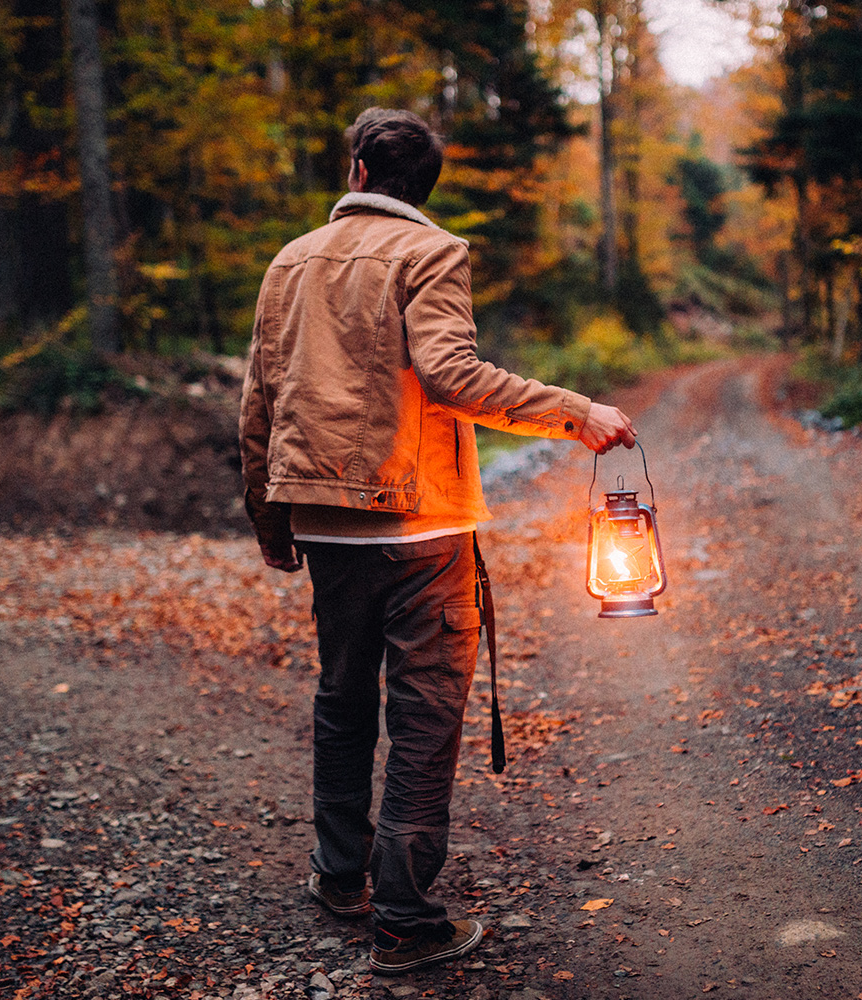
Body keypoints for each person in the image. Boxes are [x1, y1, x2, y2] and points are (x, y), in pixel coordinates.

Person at [239, 107, 635, 976]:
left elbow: (262, 396)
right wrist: (579, 413)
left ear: (357, 172)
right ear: (424, 186)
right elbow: (453, 376)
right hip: (422, 524)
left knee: (343, 696)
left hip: (324, 520)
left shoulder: (291, 260)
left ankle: (341, 878)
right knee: (424, 714)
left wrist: (271, 518)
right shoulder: (435, 251)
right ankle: (406, 921)